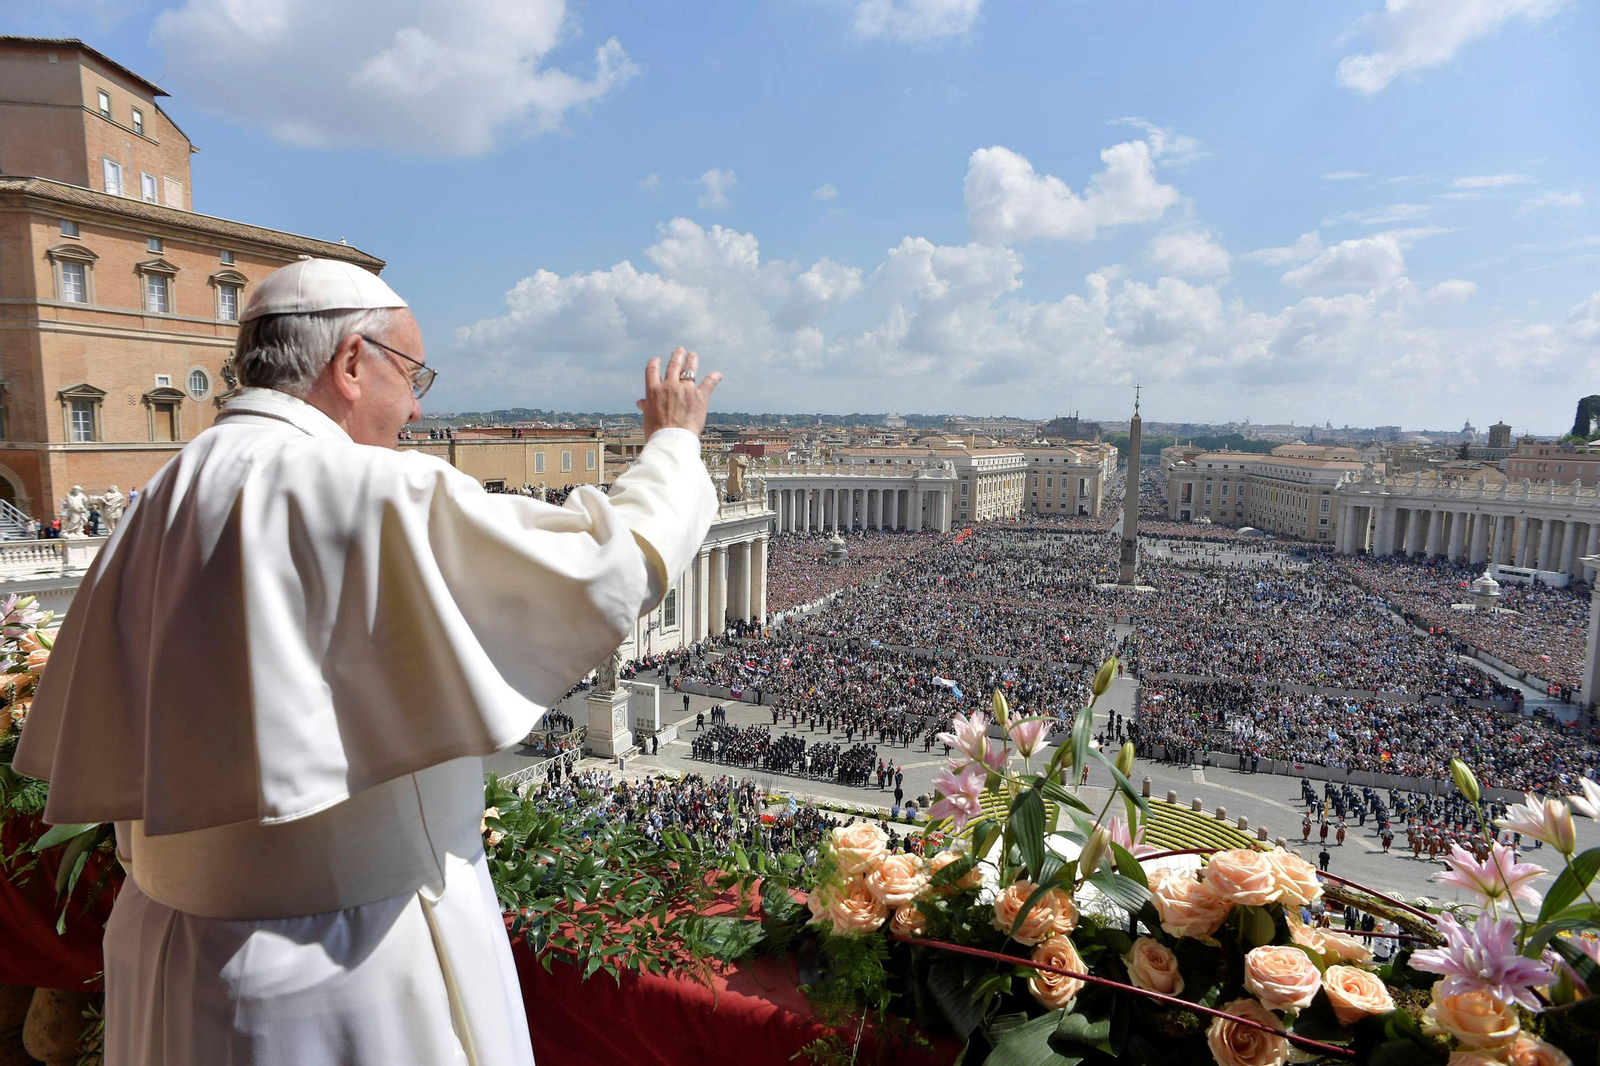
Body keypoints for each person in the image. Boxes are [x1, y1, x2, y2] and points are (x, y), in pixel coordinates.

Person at [15, 258, 724, 1066]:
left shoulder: (164, 493)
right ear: (351, 363)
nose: (419, 407)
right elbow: (607, 568)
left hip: (176, 959)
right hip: (350, 970)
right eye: (413, 374)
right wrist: (673, 444)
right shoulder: (366, 488)